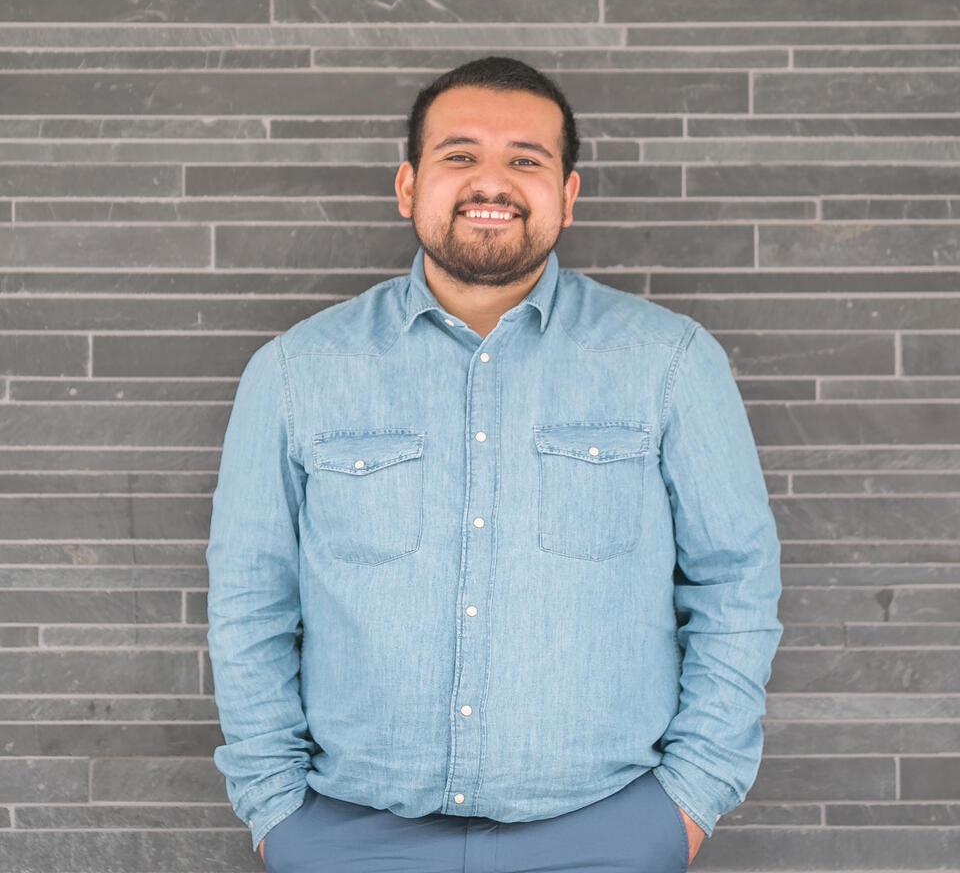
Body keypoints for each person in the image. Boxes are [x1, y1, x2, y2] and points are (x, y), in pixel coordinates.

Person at [205, 55, 784, 873]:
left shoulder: (670, 361)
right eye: (459, 155)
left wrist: (688, 799)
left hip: (606, 831)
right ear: (408, 186)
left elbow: (735, 582)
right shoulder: (297, 372)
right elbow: (248, 603)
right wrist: (278, 810)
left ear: (567, 194)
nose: (493, 181)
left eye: (525, 159)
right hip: (346, 835)